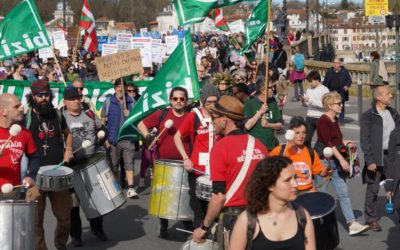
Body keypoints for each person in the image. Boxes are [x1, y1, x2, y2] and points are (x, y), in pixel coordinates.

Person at [191, 96, 268, 249]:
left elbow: (219, 197)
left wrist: (204, 227)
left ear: (224, 120)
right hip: (261, 217)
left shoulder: (220, 148)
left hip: (234, 220)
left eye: (215, 117)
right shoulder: (260, 146)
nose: (212, 121)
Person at [24, 80, 74, 250]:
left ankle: (60, 244)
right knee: (36, 220)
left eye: (46, 94)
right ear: (33, 97)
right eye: (40, 95)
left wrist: (68, 150)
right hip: (35, 176)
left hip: (58, 173)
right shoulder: (27, 118)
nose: (44, 98)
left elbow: (68, 134)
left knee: (64, 218)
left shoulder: (57, 115)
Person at [137, 86, 193, 238]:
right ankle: (163, 224)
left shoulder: (191, 116)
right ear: (170, 100)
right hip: (163, 162)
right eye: (175, 99)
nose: (178, 101)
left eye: (182, 99)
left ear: (186, 101)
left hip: (185, 162)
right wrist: (148, 136)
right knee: (164, 195)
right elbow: (141, 124)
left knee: (186, 196)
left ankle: (189, 226)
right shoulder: (162, 114)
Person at [229, 156, 316, 250]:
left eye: (295, 177)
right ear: (269, 185)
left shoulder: (302, 215)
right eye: (287, 180)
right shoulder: (247, 221)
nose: (295, 184)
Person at [315, 92, 369, 236]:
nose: (341, 105)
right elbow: (329, 143)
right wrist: (342, 160)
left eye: (341, 103)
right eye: (338, 103)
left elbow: (337, 141)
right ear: (330, 105)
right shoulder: (323, 120)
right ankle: (314, 225)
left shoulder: (335, 120)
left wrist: (347, 143)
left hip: (336, 162)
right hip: (324, 161)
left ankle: (352, 224)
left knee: (343, 194)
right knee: (320, 194)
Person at [62, 86, 108, 246]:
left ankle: (97, 228)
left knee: (95, 199)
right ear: (65, 101)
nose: (76, 101)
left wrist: (102, 140)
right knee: (73, 204)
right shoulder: (62, 117)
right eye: (73, 98)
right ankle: (76, 236)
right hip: (72, 165)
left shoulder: (88, 113)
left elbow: (102, 130)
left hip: (91, 161)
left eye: (78, 98)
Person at [174, 83, 220, 229]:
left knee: (216, 207)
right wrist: (186, 158)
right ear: (202, 101)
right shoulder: (193, 116)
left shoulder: (222, 116)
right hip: (197, 170)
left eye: (215, 102)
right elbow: (177, 137)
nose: (212, 105)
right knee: (198, 208)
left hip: (217, 170)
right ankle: (199, 239)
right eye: (209, 102)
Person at [360, 83, 398, 231]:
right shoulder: (368, 116)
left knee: (396, 185)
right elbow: (365, 140)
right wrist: (370, 160)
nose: (391, 95)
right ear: (378, 97)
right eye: (388, 93)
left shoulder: (393, 113)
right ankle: (371, 218)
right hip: (376, 157)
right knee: (373, 189)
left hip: (393, 156)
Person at [270, 116, 330, 193]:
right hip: (288, 192)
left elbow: (320, 172)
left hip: (307, 192)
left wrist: (327, 172)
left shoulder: (311, 152)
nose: (301, 136)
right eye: (297, 133)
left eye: (304, 133)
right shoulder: (280, 151)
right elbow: (267, 170)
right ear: (290, 133)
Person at [101, 79, 137, 198]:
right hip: (112, 139)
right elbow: (102, 122)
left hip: (127, 138)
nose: (120, 89)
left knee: (129, 163)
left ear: (126, 88)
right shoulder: (108, 101)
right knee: (114, 165)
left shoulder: (131, 101)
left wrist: (130, 115)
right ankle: (116, 188)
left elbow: (137, 120)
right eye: (118, 86)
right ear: (115, 88)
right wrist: (104, 139)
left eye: (122, 86)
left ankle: (131, 188)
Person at [0, 94, 39, 199]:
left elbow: (34, 157)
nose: (21, 109)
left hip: (13, 190)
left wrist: (31, 176)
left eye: (20, 105)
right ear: (3, 111)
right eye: (16, 107)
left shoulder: (24, 133)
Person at [244, 80, 284, 151]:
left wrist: (268, 125)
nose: (273, 89)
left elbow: (281, 125)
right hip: (255, 148)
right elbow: (247, 126)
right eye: (271, 87)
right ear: (263, 91)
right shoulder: (250, 102)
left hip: (271, 147)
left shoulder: (272, 101)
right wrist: (260, 112)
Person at [302, 71, 329, 146]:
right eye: (309, 81)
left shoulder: (325, 90)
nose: (310, 83)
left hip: (321, 117)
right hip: (310, 117)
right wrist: (304, 102)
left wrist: (310, 101)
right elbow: (307, 104)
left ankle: (319, 154)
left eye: (311, 81)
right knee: (306, 138)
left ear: (317, 80)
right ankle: (307, 153)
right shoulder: (309, 90)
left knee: (322, 139)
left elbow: (324, 105)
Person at [323, 57, 352, 124]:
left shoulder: (344, 71)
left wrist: (346, 86)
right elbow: (325, 81)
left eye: (336, 63)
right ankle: (332, 119)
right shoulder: (329, 71)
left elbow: (349, 80)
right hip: (331, 92)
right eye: (334, 63)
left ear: (340, 64)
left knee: (341, 106)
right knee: (331, 106)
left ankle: (341, 120)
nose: (335, 64)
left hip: (341, 92)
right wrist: (324, 89)